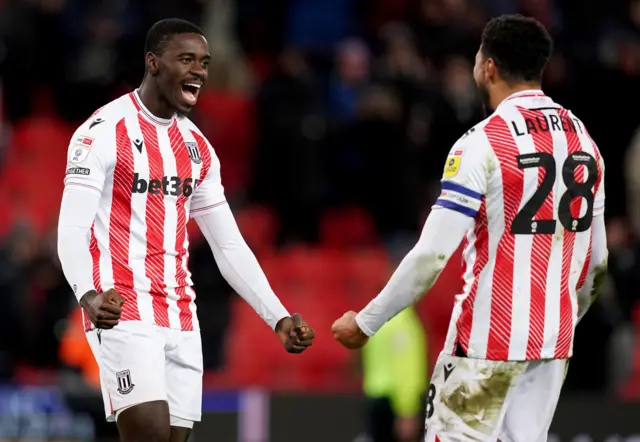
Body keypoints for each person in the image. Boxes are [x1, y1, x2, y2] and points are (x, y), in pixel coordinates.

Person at [331, 14, 607, 442]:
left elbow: (432, 255)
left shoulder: (482, 141)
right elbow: (597, 263)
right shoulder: (583, 141)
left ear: (488, 67)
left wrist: (366, 322)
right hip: (553, 344)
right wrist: (563, 317)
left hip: (487, 343)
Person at [57, 18, 315, 442]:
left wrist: (279, 317)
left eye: (205, 62)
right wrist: (88, 294)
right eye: (187, 59)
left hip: (180, 312)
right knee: (150, 432)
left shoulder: (197, 148)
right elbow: (72, 227)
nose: (199, 70)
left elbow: (228, 244)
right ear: (153, 63)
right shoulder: (101, 133)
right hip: (122, 307)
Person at [361, 307, 427, 442]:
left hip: (375, 396)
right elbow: (405, 368)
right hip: (393, 404)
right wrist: (407, 410)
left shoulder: (375, 322)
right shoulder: (403, 323)